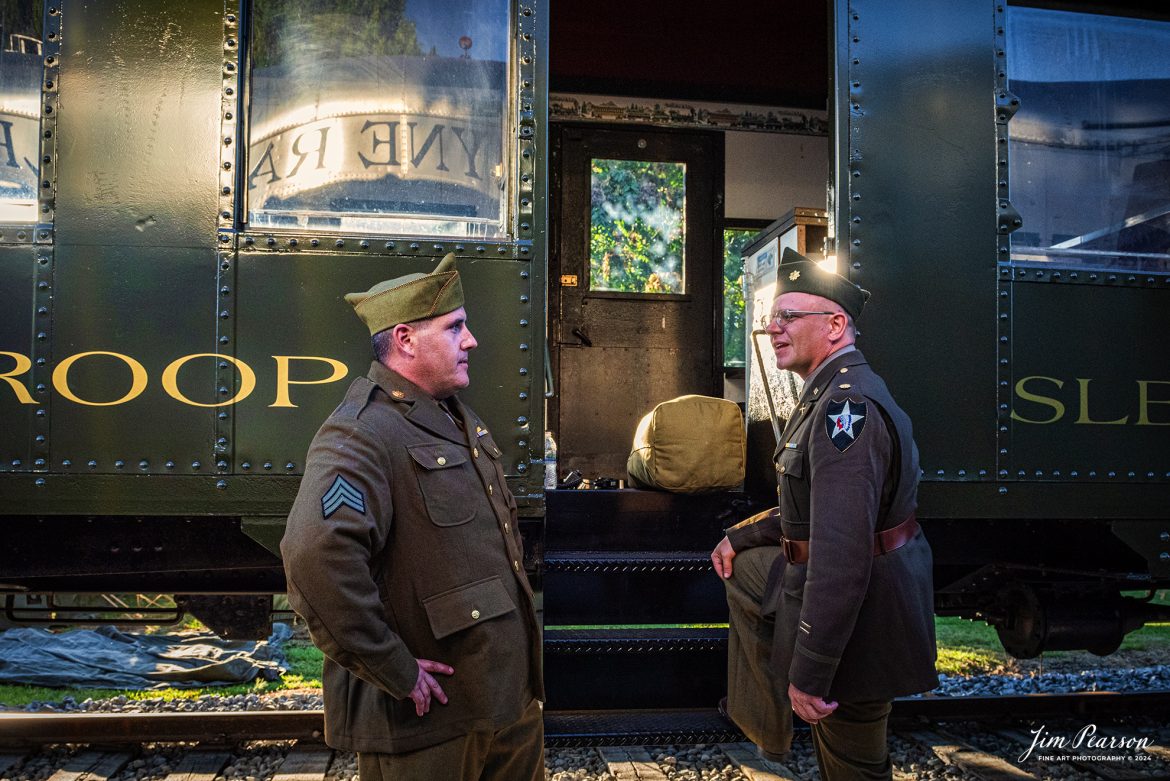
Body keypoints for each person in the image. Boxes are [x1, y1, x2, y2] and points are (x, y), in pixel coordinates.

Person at [281, 254, 544, 781]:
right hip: (429, 723)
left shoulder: (453, 418)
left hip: (501, 704)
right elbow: (314, 557)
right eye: (455, 328)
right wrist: (394, 669)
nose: (470, 341)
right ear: (405, 339)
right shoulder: (362, 432)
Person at [711, 247, 936, 780]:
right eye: (772, 318)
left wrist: (811, 672)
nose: (773, 329)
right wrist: (741, 537)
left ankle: (784, 704)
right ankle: (770, 722)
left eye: (789, 317)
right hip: (867, 591)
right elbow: (812, 504)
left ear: (835, 325)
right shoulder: (831, 392)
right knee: (744, 569)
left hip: (865, 613)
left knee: (854, 764)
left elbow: (841, 553)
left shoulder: (844, 410)